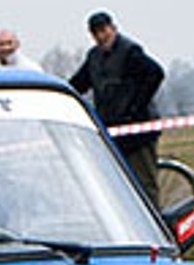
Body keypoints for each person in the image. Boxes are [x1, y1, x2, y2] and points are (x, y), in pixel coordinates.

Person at [69, 11, 166, 205]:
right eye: (96, 33)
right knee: (120, 185)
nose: (101, 36)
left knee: (145, 185)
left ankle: (156, 228)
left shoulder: (130, 52)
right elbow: (79, 84)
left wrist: (136, 107)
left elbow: (155, 74)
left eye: (104, 31)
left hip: (138, 132)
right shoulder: (94, 57)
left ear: (113, 28)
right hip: (113, 130)